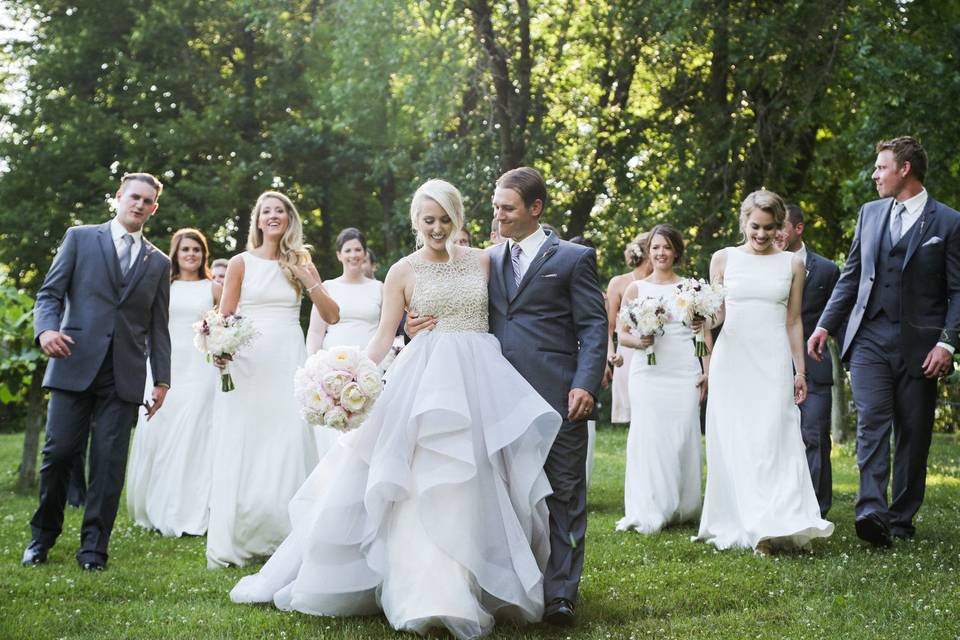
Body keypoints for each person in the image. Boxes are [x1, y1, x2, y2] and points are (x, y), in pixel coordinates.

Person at [230, 179, 562, 639]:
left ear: (458, 218)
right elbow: (385, 334)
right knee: (422, 478)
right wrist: (349, 376)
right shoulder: (402, 271)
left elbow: (509, 313)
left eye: (446, 219)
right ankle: (427, 590)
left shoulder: (484, 261)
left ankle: (479, 581)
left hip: (479, 378)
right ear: (415, 221)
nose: (438, 228)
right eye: (429, 220)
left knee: (478, 477)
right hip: (424, 380)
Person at [809, 136, 960, 546]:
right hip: (870, 337)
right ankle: (871, 512)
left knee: (914, 433)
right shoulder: (870, 214)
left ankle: (901, 519)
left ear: (905, 169)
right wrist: (825, 325)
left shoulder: (948, 221)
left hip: (921, 345)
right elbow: (852, 274)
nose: (874, 174)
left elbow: (958, 290)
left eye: (881, 167)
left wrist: (947, 344)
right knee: (872, 423)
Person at [24, 172, 172, 571]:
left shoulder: (159, 262)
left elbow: (159, 326)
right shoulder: (79, 237)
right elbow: (50, 293)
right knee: (57, 455)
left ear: (153, 209)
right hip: (73, 361)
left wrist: (161, 379)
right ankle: (43, 537)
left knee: (108, 465)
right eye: (133, 197)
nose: (139, 205)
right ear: (119, 197)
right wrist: (46, 329)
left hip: (122, 374)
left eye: (147, 201)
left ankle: (93, 549)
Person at [206, 191, 340, 569]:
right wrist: (220, 350)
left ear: (289, 219)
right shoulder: (239, 263)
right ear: (258, 221)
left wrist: (307, 279)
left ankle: (286, 534)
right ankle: (244, 534)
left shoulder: (300, 261)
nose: (273, 216)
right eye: (266, 211)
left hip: (287, 358)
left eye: (280, 210)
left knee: (288, 440)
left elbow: (332, 315)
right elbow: (224, 316)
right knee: (248, 441)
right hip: (249, 362)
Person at [695, 190, 833, 554]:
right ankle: (752, 524)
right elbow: (717, 315)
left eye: (770, 228)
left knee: (775, 437)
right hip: (733, 359)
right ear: (744, 222)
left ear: (780, 227)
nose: (761, 234)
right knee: (738, 439)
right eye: (755, 226)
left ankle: (779, 519)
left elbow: (793, 321)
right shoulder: (723, 258)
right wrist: (699, 318)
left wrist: (799, 371)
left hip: (772, 360)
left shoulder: (792, 264)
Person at [126, 228, 222, 537]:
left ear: (203, 253)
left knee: (196, 431)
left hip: (201, 367)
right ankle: (160, 503)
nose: (191, 254)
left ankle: (194, 508)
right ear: (176, 254)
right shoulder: (163, 285)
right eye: (185, 250)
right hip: (166, 366)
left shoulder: (213, 287)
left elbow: (230, 320)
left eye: (196, 249)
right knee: (163, 433)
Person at [615, 225, 706, 534]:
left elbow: (702, 335)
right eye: (655, 247)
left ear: (676, 251)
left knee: (682, 436)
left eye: (666, 247)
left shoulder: (690, 289)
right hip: (648, 373)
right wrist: (639, 342)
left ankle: (682, 505)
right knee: (650, 437)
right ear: (648, 252)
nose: (661, 253)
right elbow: (621, 336)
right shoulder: (636, 289)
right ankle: (650, 506)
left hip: (684, 370)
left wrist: (706, 369)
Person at [775, 204, 840, 518]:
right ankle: (778, 503)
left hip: (813, 366)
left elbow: (838, 317)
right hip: (769, 363)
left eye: (781, 225)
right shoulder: (759, 265)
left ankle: (816, 509)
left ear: (798, 228)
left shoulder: (827, 270)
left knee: (814, 435)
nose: (775, 232)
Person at [306, 228, 383, 354]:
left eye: (358, 250)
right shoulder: (327, 287)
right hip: (332, 363)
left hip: (369, 363)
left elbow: (385, 332)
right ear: (339, 255)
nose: (353, 255)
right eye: (347, 250)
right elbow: (315, 332)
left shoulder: (379, 288)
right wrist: (313, 361)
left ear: (364, 253)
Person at [606, 233, 652, 424]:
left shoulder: (662, 283)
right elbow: (608, 328)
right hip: (627, 352)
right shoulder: (619, 283)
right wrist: (610, 355)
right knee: (636, 415)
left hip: (655, 347)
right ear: (647, 253)